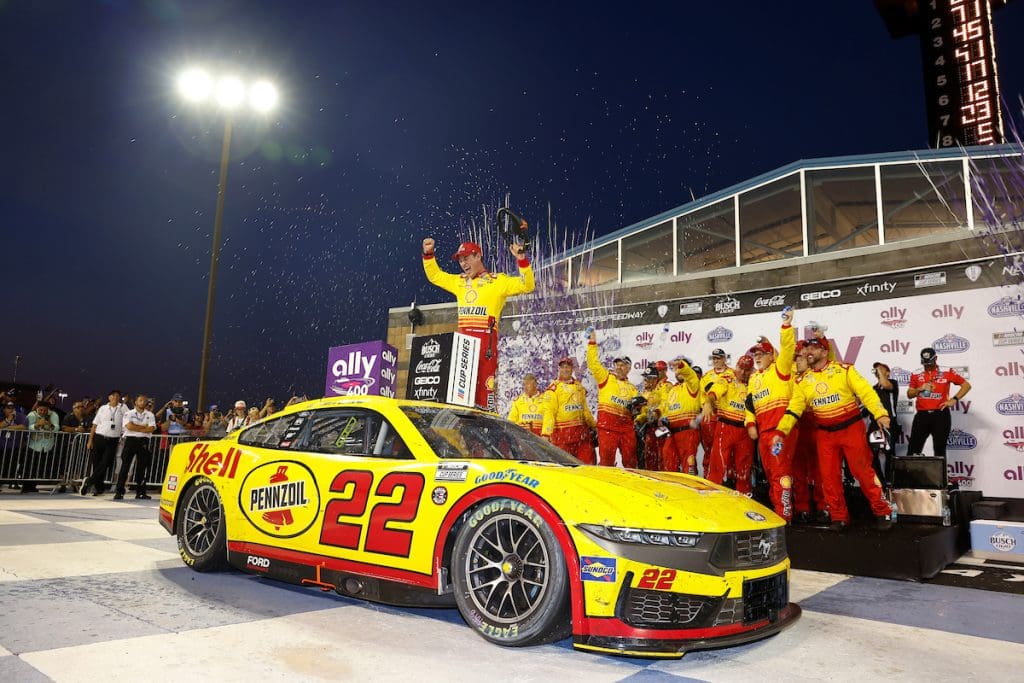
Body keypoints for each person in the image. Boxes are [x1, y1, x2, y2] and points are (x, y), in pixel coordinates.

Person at [775, 337, 894, 531]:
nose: (807, 352)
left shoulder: (845, 370)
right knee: (829, 477)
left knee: (863, 472)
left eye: (813, 348)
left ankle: (882, 510)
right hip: (824, 433)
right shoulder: (802, 380)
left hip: (851, 428)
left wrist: (880, 414)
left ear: (824, 351)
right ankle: (839, 516)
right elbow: (794, 408)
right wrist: (781, 430)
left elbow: (866, 393)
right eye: (806, 348)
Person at [422, 237, 534, 412]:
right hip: (463, 347)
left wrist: (522, 260)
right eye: (460, 260)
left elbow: (527, 285)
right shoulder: (459, 281)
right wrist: (428, 254)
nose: (463, 263)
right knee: (461, 402)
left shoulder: (499, 281)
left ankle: (488, 432)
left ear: (478, 256)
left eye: (466, 258)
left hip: (485, 347)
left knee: (485, 399)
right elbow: (435, 276)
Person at [744, 308, 797, 521]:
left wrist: (786, 325)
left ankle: (785, 513)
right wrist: (750, 424)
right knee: (771, 473)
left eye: (760, 354)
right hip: (763, 433)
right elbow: (749, 405)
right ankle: (779, 511)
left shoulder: (780, 368)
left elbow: (788, 348)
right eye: (754, 354)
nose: (756, 357)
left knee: (780, 472)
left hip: (780, 431)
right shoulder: (753, 379)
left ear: (770, 355)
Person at [585, 327, 639, 467]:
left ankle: (630, 485)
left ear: (629, 368)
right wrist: (592, 343)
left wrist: (637, 409)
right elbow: (593, 363)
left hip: (626, 428)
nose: (620, 367)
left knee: (631, 461)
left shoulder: (633, 389)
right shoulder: (606, 378)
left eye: (623, 365)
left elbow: (637, 411)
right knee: (607, 463)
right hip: (607, 427)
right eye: (618, 365)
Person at [703, 355, 756, 494]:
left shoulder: (755, 382)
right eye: (741, 368)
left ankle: (744, 498)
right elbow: (715, 390)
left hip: (745, 430)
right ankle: (711, 494)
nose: (743, 373)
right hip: (725, 427)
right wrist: (709, 402)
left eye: (747, 370)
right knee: (717, 464)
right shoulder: (727, 379)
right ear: (736, 366)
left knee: (743, 468)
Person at [906, 347, 970, 460]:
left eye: (930, 362)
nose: (927, 365)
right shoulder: (916, 373)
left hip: (940, 414)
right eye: (925, 363)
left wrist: (954, 399)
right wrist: (920, 388)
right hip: (922, 415)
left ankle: (940, 477)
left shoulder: (947, 371)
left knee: (939, 449)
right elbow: (910, 394)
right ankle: (911, 477)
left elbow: (966, 386)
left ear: (936, 358)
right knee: (913, 449)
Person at [542, 357, 596, 463]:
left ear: (572, 369)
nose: (565, 370)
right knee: (565, 468)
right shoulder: (553, 389)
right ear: (559, 369)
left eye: (568, 367)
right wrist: (546, 434)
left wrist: (594, 426)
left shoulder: (578, 386)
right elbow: (549, 413)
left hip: (581, 435)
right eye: (563, 367)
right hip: (562, 437)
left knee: (587, 466)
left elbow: (585, 410)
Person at [658, 357, 701, 474]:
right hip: (671, 433)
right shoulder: (672, 390)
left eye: (681, 368)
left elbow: (690, 374)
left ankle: (691, 490)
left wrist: (681, 365)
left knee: (689, 468)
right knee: (669, 464)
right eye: (676, 369)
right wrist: (660, 417)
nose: (679, 371)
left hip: (688, 432)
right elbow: (665, 409)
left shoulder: (692, 384)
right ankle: (672, 490)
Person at [81, 390, 127, 496]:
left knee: (105, 463)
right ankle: (99, 488)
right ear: (109, 397)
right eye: (113, 396)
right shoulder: (103, 408)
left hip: (113, 440)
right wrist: (90, 440)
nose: (115, 397)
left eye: (117, 396)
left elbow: (128, 420)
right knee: (96, 463)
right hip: (99, 438)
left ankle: (89, 481)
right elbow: (95, 424)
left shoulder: (123, 408)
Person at [700, 349, 733, 476]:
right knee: (710, 450)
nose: (716, 361)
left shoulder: (733, 373)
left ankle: (730, 477)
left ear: (725, 359)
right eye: (714, 358)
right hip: (712, 417)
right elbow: (702, 398)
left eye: (719, 358)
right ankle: (707, 476)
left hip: (728, 416)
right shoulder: (706, 376)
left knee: (728, 450)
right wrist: (708, 405)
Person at [115, 394, 156, 500]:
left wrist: (136, 427)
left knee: (142, 468)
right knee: (125, 466)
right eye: (141, 400)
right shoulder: (129, 413)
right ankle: (119, 492)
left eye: (145, 400)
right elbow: (128, 426)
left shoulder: (150, 414)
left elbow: (151, 428)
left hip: (143, 441)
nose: (143, 402)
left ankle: (140, 492)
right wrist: (143, 427)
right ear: (136, 402)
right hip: (130, 440)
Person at [868, 362, 899, 486]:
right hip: (874, 424)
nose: (877, 370)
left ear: (887, 372)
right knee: (872, 455)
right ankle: (881, 483)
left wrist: (881, 371)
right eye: (876, 369)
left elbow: (885, 384)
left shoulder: (892, 383)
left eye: (881, 369)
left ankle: (890, 483)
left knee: (889, 454)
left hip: (889, 423)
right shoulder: (873, 389)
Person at [25, 402, 60, 492]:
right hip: (34, 445)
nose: (43, 412)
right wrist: (37, 425)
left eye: (45, 410)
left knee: (43, 466)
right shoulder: (32, 415)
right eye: (41, 410)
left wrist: (50, 425)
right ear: (37, 408)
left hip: (48, 445)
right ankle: (27, 486)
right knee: (30, 466)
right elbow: (27, 427)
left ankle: (39, 485)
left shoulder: (53, 415)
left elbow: (57, 428)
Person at [636, 366, 666, 469]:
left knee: (661, 455)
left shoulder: (662, 389)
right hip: (649, 428)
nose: (646, 380)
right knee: (649, 456)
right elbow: (646, 412)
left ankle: (663, 479)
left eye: (648, 378)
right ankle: (651, 478)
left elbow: (666, 405)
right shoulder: (647, 393)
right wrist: (640, 417)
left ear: (654, 379)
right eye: (645, 378)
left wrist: (657, 414)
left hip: (661, 427)